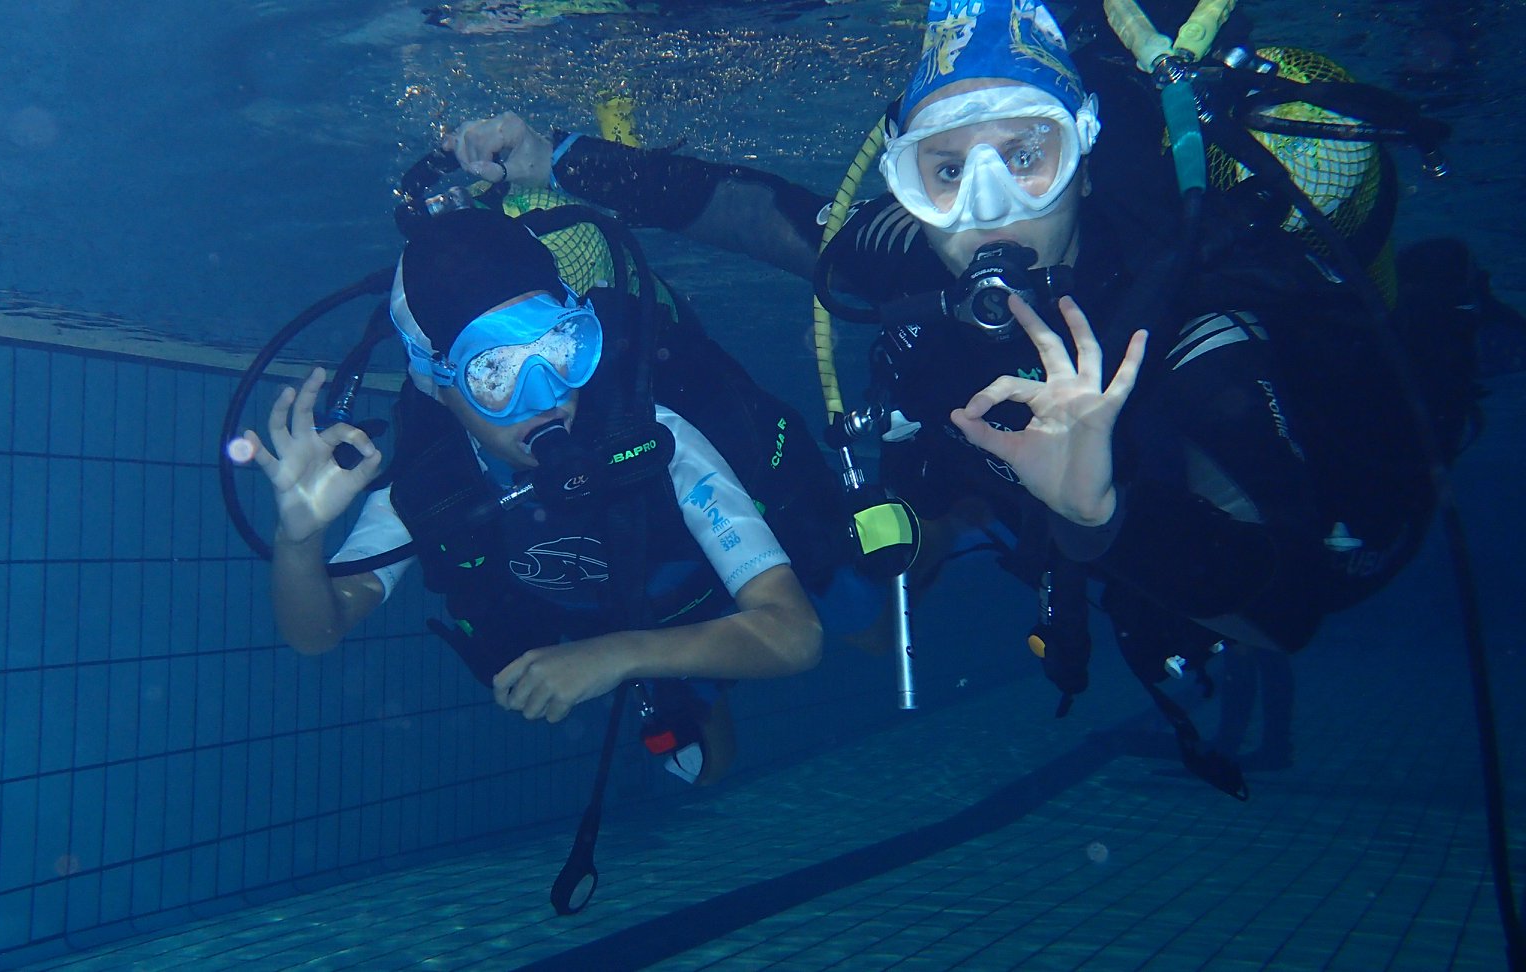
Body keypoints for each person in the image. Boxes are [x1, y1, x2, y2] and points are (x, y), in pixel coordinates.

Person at [443, 0, 1495, 791]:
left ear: (1081, 155)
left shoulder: (1184, 314)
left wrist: (1102, 517)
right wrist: (564, 158)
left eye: (1025, 159)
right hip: (1077, 538)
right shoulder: (913, 263)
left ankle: (1465, 331)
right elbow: (760, 218)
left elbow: (1292, 610)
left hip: (1305, 511)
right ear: (907, 183)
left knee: (1394, 466)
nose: (987, 208)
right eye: (944, 171)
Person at [241, 205, 850, 786]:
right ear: (436, 382)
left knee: (868, 629)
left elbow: (795, 636)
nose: (544, 394)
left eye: (560, 349)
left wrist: (619, 656)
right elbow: (316, 631)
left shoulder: (651, 436)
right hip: (633, 632)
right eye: (494, 374)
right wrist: (299, 539)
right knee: (712, 765)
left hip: (704, 605)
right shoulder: (432, 481)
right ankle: (687, 687)